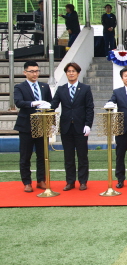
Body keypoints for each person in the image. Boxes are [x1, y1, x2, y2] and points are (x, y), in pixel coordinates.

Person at [50, 62, 94, 191]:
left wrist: (88, 125)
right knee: (68, 157)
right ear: (66, 73)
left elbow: (89, 108)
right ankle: (70, 181)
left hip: (81, 128)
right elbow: (54, 104)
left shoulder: (85, 88)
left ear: (78, 73)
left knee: (82, 156)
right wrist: (44, 107)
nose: (71, 73)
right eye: (69, 71)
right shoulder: (61, 89)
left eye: (73, 71)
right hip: (66, 128)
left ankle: (83, 181)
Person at [13, 60, 52, 192]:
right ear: (25, 72)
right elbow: (19, 102)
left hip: (42, 125)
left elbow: (50, 104)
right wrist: (34, 103)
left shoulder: (44, 87)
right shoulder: (19, 87)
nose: (35, 74)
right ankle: (27, 182)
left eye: (37, 71)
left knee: (42, 155)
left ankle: (41, 180)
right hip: (26, 126)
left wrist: (50, 122)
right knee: (25, 155)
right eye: (32, 71)